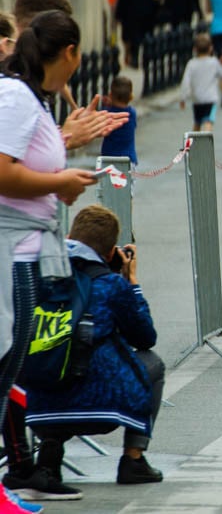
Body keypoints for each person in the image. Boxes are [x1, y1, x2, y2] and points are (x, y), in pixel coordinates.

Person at [0, 10, 97, 513]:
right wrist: (60, 183)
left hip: (27, 247)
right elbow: (3, 173)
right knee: (3, 362)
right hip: (11, 252)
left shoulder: (29, 97)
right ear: (70, 54)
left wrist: (61, 178)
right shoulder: (16, 97)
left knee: (9, 364)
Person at [15, 205, 164, 500]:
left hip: (34, 407)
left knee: (50, 356)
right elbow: (145, 337)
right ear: (111, 253)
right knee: (153, 364)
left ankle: (49, 454)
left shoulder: (34, 273)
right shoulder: (111, 283)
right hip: (102, 409)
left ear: (69, 236)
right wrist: (130, 282)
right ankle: (133, 459)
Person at [12, 0, 128, 149]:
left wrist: (74, 119)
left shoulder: (30, 74)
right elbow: (10, 166)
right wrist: (63, 141)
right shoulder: (14, 85)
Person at [114, 0, 160, 68]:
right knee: (134, 41)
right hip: (132, 19)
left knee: (147, 41)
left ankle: (146, 60)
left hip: (148, 19)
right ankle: (134, 59)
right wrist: (119, 16)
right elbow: (122, 1)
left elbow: (157, 0)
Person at [179, 33, 222, 132]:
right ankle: (206, 143)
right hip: (210, 99)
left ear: (195, 49)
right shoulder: (214, 62)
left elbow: (185, 82)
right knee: (208, 121)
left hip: (196, 99)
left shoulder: (191, 64)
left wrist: (183, 98)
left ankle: (194, 144)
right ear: (210, 48)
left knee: (197, 122)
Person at [100, 76, 138, 176]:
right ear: (130, 96)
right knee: (127, 188)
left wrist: (105, 106)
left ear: (110, 95)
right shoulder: (132, 113)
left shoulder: (107, 113)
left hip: (109, 158)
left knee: (108, 188)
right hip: (128, 159)